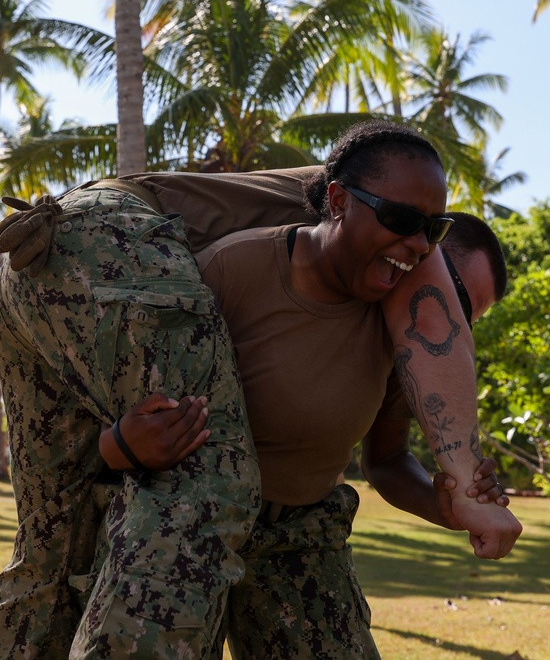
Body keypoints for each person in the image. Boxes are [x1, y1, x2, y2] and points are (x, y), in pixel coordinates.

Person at [184, 120, 522, 658]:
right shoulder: (239, 268)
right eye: (452, 293)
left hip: (299, 528)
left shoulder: (401, 354)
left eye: (429, 233)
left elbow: (386, 461)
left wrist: (453, 507)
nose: (451, 317)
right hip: (192, 517)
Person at [0, 187, 261, 659]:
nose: (419, 241)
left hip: (40, 251)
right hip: (115, 247)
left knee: (52, 541)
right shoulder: (348, 183)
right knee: (201, 487)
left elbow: (95, 459)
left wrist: (114, 448)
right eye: (403, 221)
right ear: (337, 200)